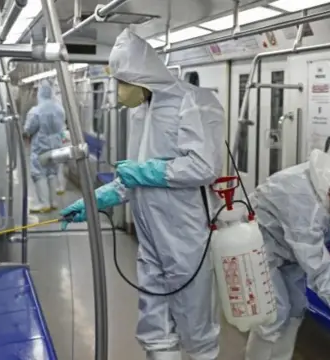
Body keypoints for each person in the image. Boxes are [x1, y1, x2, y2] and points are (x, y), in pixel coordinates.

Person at [60, 28, 225, 360]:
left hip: (185, 236)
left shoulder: (188, 102)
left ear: (143, 79)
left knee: (196, 331)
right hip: (150, 236)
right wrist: (95, 200)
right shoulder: (140, 113)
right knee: (154, 328)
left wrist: (150, 171)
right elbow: (132, 175)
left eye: (123, 82)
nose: (118, 91)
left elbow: (203, 167)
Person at [245, 149, 330, 360]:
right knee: (273, 315)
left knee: (295, 310)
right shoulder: (304, 205)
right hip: (261, 245)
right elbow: (320, 273)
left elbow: (314, 229)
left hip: (287, 245)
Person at [24, 80, 65, 213]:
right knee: (52, 173)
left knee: (38, 174)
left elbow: (28, 129)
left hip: (41, 147)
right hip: (56, 147)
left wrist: (27, 133)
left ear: (40, 94)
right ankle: (53, 202)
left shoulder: (36, 111)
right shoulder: (60, 109)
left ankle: (44, 203)